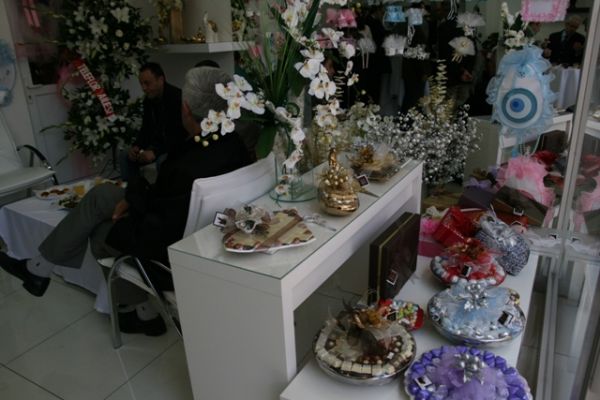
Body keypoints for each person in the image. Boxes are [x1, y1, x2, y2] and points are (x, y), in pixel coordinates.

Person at [0, 66, 251, 335]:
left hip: (169, 245)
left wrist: (133, 202)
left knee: (100, 232)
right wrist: (134, 196)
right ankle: (38, 268)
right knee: (101, 196)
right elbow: (163, 195)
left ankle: (142, 313)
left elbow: (156, 218)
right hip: (193, 223)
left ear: (186, 109)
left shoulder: (187, 164)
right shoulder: (234, 144)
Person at [120, 62, 187, 181]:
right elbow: (146, 128)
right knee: (126, 155)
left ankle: (163, 192)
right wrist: (137, 146)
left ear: (160, 80)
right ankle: (133, 190)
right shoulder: (149, 100)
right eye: (141, 84)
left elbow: (179, 135)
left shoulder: (177, 98)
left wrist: (155, 152)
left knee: (163, 161)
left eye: (147, 83)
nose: (144, 88)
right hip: (157, 146)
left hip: (176, 147)